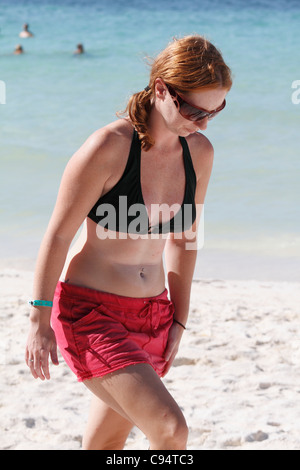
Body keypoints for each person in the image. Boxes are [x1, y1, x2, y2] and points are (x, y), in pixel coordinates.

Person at [25, 35, 232, 450]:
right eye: (194, 110)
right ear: (161, 90)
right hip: (91, 315)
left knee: (103, 447)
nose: (204, 122)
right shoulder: (108, 147)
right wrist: (38, 319)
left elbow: (185, 240)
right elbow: (59, 235)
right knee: (171, 429)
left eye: (216, 111)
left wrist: (179, 318)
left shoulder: (200, 154)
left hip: (154, 316)